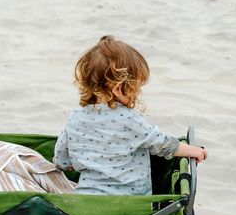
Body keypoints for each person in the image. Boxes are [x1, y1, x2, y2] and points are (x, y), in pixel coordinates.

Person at [54, 35, 207, 195]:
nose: (137, 94)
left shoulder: (75, 118)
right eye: (136, 88)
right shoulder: (129, 119)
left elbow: (61, 158)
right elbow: (161, 144)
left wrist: (71, 165)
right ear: (118, 89)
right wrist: (194, 151)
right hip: (132, 202)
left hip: (87, 201)